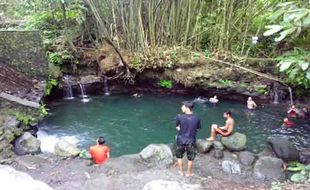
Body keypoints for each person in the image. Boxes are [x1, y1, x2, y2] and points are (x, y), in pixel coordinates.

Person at [175, 101, 201, 177]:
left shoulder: (179, 117)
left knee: (179, 156)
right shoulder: (197, 118)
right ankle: (188, 173)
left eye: (183, 106)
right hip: (191, 140)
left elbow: (177, 127)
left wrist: (182, 129)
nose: (181, 107)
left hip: (181, 140)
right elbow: (198, 129)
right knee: (190, 158)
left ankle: (180, 172)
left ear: (187, 108)